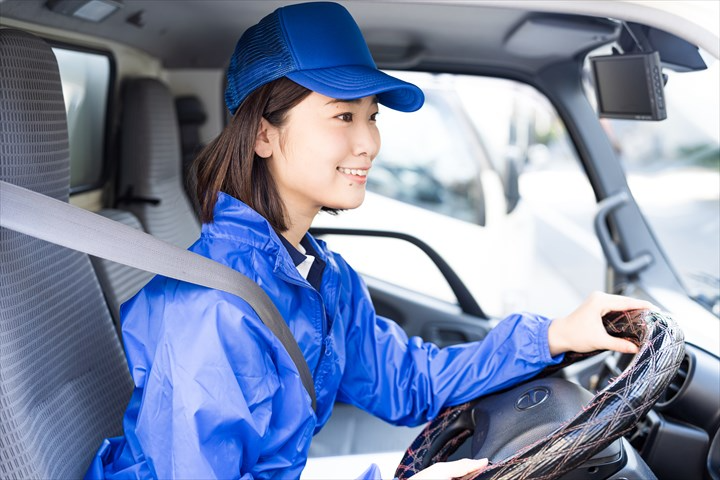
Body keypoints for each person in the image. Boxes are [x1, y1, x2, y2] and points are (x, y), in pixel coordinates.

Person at [86, 2, 654, 479]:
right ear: (263, 133)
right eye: (341, 116)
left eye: (371, 116)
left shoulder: (318, 276)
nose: (369, 143)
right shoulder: (210, 314)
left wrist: (558, 335)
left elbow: (411, 382)